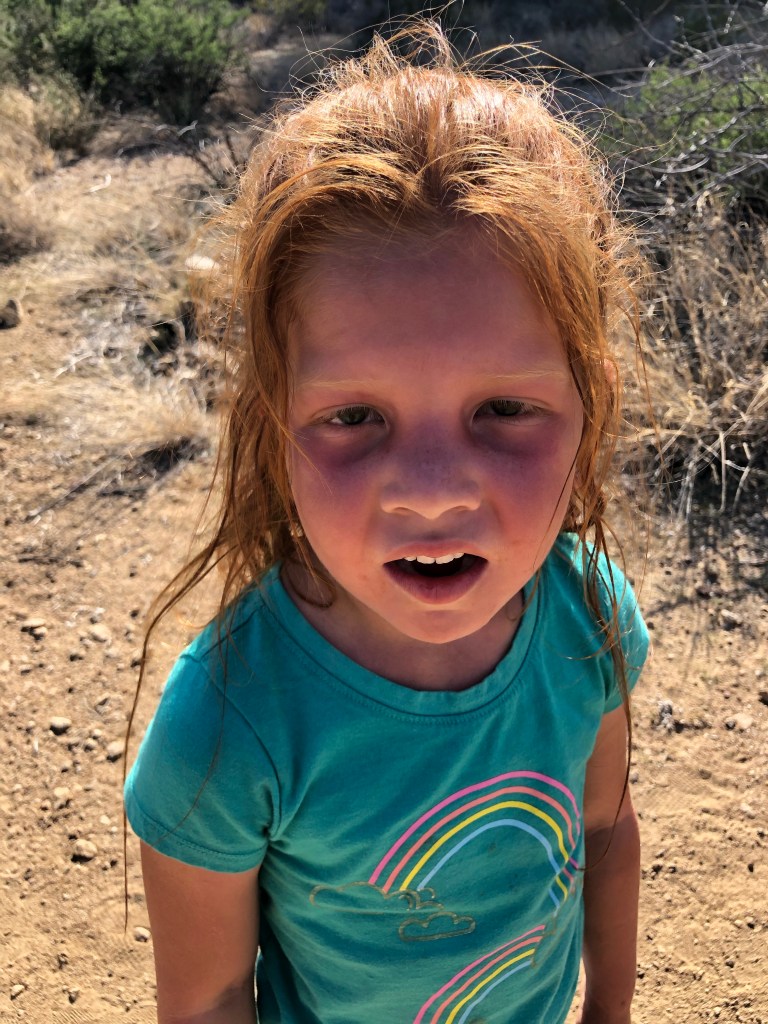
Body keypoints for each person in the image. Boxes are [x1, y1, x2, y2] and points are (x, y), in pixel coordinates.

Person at [124, 22, 651, 1024]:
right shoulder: (227, 726)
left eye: (505, 408)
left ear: (592, 400)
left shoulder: (589, 614)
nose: (432, 491)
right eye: (355, 417)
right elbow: (209, 997)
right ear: (273, 420)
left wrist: (611, 1011)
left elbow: (604, 829)